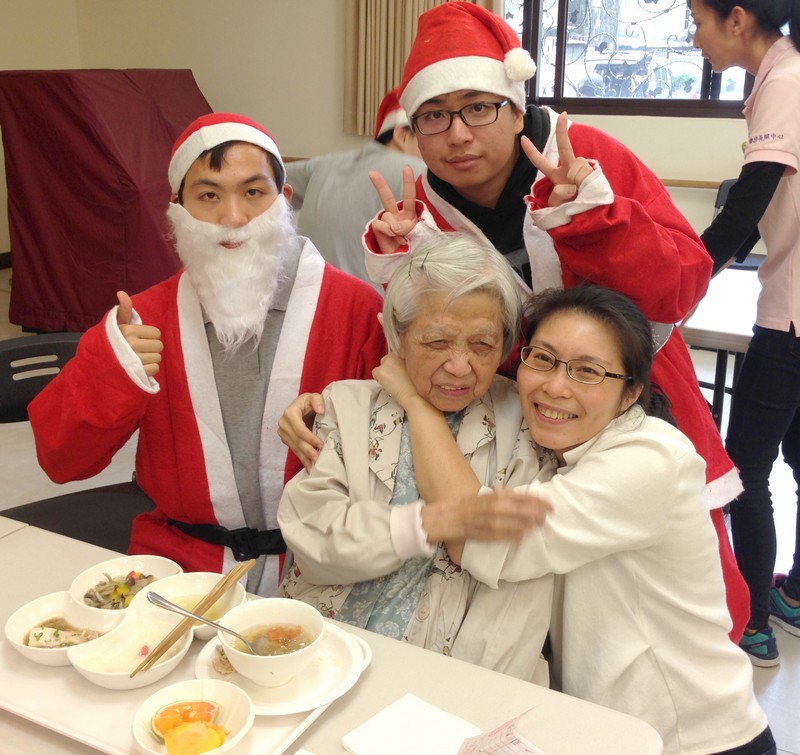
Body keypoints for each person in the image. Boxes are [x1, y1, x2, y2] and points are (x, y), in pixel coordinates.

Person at [283, 1, 750, 641]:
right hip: (517, 434)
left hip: (623, 403)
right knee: (553, 616)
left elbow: (683, 286)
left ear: (513, 101)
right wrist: (329, 403)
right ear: (412, 131)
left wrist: (591, 218)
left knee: (668, 609)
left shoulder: (582, 154)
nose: (459, 133)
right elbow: (423, 345)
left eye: (479, 106)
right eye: (434, 117)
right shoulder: (423, 207)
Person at [381, 284, 773, 755]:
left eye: (587, 371)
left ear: (631, 394)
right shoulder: (565, 445)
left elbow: (472, 535)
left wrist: (414, 400)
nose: (555, 386)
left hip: (694, 739)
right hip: (608, 730)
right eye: (542, 359)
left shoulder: (648, 459)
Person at [28, 112, 387, 596]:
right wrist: (108, 370)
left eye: (253, 193)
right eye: (209, 196)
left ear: (285, 200)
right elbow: (60, 460)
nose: (232, 218)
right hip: (180, 569)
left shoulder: (358, 310)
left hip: (325, 571)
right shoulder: (143, 320)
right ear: (178, 208)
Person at [277, 233, 553, 682]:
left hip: (445, 680)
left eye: (482, 345)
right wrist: (428, 524)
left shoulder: (527, 426)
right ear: (399, 336)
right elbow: (314, 540)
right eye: (438, 342)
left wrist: (457, 696)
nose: (460, 366)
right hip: (316, 654)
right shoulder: (345, 406)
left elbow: (511, 586)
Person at [690, 0, 800, 666]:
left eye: (698, 20)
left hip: (789, 316)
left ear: (737, 19)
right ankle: (791, 596)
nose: (694, 37)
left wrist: (676, 276)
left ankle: (753, 619)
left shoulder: (783, 84)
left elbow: (740, 217)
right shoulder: (785, 75)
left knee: (747, 468)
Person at [285, 87, 426, 290]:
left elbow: (271, 180)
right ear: (402, 136)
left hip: (304, 302)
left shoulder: (324, 165)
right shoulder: (417, 172)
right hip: (369, 311)